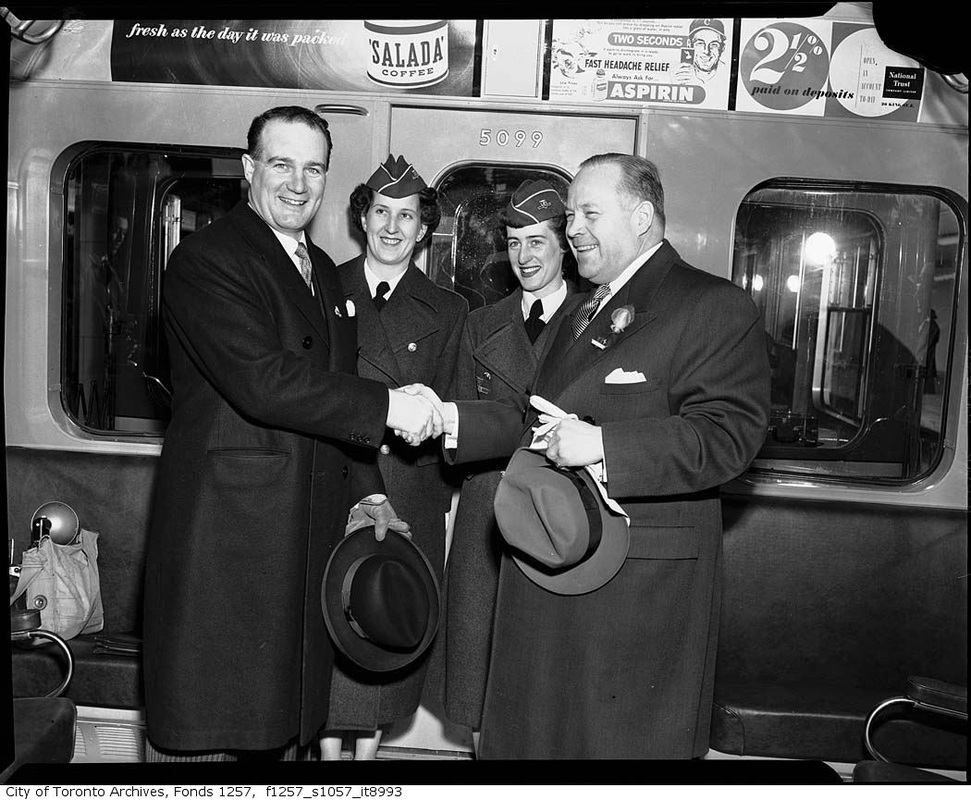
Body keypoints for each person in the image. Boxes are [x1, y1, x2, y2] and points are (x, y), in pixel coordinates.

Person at [418, 153, 770, 758]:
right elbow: (535, 417)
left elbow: (729, 435)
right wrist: (450, 418)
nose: (571, 227)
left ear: (641, 217)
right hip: (560, 561)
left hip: (635, 586)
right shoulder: (586, 307)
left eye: (588, 212)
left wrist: (604, 445)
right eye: (570, 213)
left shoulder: (710, 305)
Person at [142, 106, 441, 762]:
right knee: (215, 738)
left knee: (278, 736)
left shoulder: (325, 272)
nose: (298, 183)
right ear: (249, 170)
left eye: (313, 168)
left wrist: (365, 490)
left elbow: (330, 392)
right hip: (228, 540)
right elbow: (263, 382)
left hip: (300, 538)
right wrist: (391, 405)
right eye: (281, 164)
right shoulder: (207, 259)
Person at [320, 155, 468, 761]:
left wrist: (428, 414)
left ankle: (368, 762)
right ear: (362, 216)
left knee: (384, 627)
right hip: (334, 482)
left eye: (406, 215)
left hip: (407, 490)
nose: (392, 226)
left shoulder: (450, 309)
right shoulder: (323, 286)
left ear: (423, 228)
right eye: (381, 211)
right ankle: (331, 766)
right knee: (333, 631)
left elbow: (455, 411)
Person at [439, 179, 578, 751]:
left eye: (538, 241)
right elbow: (453, 428)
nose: (524, 257)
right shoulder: (479, 325)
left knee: (550, 674)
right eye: (515, 242)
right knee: (480, 666)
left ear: (564, 245)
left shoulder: (597, 321)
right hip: (488, 514)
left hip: (562, 512)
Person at [672, 18, 727, 85]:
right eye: (700, 43)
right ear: (689, 45)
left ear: (722, 48)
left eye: (714, 45)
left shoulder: (727, 72)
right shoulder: (678, 74)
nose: (706, 51)